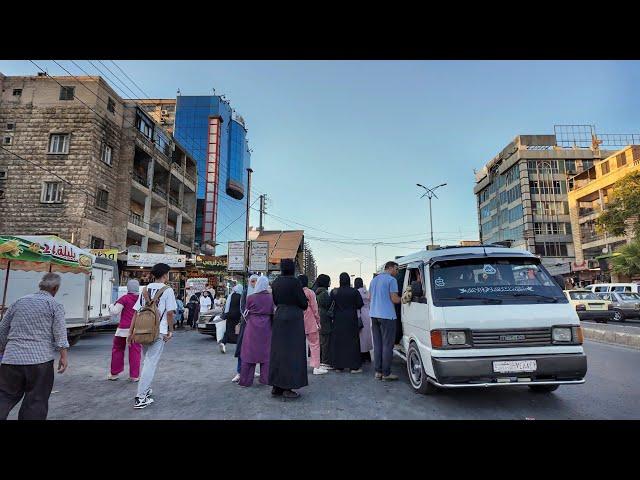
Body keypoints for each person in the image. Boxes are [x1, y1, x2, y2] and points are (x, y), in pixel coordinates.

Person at [0, 273, 69, 420]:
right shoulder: (54, 305)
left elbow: (2, 329)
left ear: (40, 286)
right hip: (40, 362)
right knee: (36, 401)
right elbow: (60, 333)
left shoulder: (18, 302)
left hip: (11, 360)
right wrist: (63, 356)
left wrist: (5, 348)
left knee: (4, 396)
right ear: (56, 288)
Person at [128, 263, 177, 409]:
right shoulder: (167, 290)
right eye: (167, 274)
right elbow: (170, 313)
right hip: (158, 331)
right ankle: (141, 397)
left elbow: (136, 312)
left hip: (143, 330)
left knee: (147, 361)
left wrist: (130, 333)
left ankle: (146, 389)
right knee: (150, 363)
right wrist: (170, 330)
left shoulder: (145, 289)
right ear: (164, 275)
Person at [269, 259, 309, 399]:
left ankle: (277, 386)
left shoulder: (276, 282)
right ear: (292, 268)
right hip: (293, 319)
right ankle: (288, 387)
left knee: (278, 351)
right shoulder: (295, 282)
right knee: (293, 353)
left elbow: (274, 301)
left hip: (279, 316)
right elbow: (303, 303)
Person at [369, 261, 402, 381]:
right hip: (387, 316)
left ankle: (378, 372)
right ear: (391, 268)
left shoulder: (374, 280)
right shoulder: (391, 280)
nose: (397, 272)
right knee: (388, 345)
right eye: (397, 269)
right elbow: (394, 299)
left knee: (378, 344)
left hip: (374, 315)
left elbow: (369, 297)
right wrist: (405, 298)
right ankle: (386, 373)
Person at [238, 276, 273, 387]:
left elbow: (245, 314)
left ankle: (246, 380)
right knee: (266, 353)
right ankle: (265, 379)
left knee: (249, 353)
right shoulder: (271, 298)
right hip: (267, 327)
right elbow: (273, 312)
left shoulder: (250, 297)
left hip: (252, 327)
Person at [328, 273, 364, 373]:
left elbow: (329, 304)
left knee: (339, 342)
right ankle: (353, 367)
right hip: (351, 319)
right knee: (352, 342)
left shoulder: (335, 291)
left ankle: (339, 366)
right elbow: (360, 304)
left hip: (338, 319)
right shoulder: (354, 291)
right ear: (349, 280)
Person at [107, 279, 142, 382]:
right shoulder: (141, 299)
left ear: (128, 288)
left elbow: (115, 311)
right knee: (135, 352)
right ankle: (134, 376)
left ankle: (114, 374)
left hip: (122, 330)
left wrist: (110, 306)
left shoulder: (124, 298)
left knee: (117, 350)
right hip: (136, 330)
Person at [233, 275, 259, 382]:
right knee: (242, 348)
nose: (254, 283)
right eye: (252, 281)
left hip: (257, 326)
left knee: (255, 349)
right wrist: (250, 319)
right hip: (246, 324)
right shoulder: (245, 292)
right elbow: (242, 308)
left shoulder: (260, 293)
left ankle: (252, 370)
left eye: (256, 281)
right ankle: (239, 371)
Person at [299, 275, 327, 375]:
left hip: (298, 321)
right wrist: (318, 321)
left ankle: (299, 366)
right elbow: (315, 309)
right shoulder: (310, 293)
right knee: (314, 344)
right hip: (310, 320)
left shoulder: (296, 292)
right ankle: (316, 367)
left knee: (299, 345)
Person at [314, 274, 333, 370]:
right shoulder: (325, 294)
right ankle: (325, 362)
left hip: (318, 318)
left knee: (320, 341)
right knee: (325, 341)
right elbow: (329, 305)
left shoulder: (316, 292)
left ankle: (320, 360)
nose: (330, 282)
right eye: (329, 280)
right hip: (325, 319)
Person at [219, 284, 242, 355]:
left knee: (228, 330)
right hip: (237, 315)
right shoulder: (241, 296)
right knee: (238, 331)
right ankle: (240, 347)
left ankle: (223, 342)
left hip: (229, 315)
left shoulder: (230, 295)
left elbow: (227, 306)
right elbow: (241, 306)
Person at [354, 277, 373, 363]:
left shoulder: (357, 292)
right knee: (367, 335)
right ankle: (368, 355)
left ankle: (362, 355)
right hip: (368, 313)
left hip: (360, 314)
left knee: (361, 336)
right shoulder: (367, 291)